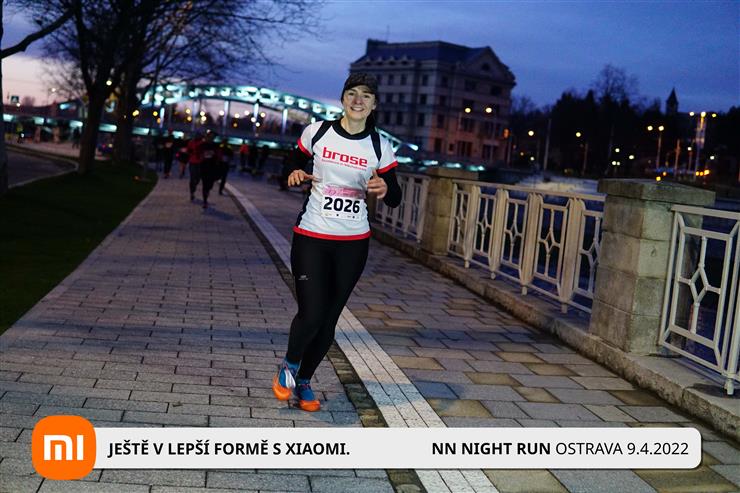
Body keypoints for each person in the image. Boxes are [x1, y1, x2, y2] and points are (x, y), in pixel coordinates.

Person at [272, 73, 401, 412]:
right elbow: (292, 162)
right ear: (343, 98)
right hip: (312, 236)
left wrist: (385, 188)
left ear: (374, 104)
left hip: (353, 243)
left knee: (329, 320)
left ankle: (304, 381)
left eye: (366, 95)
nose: (358, 100)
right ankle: (289, 365)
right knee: (312, 312)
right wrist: (293, 172)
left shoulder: (379, 146)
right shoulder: (318, 132)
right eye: (352, 93)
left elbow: (395, 196)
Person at [199, 130, 221, 209]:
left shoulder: (216, 146)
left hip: (212, 167)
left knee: (210, 184)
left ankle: (207, 192)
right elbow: (198, 153)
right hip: (204, 166)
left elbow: (219, 156)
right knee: (205, 184)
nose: (211, 138)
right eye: (210, 136)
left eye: (213, 137)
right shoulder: (202, 145)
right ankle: (205, 201)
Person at [186, 132, 204, 201]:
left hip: (200, 163)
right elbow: (188, 151)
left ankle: (194, 187)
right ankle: (192, 192)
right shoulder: (191, 142)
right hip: (192, 162)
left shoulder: (202, 143)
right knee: (192, 178)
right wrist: (192, 152)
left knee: (198, 178)